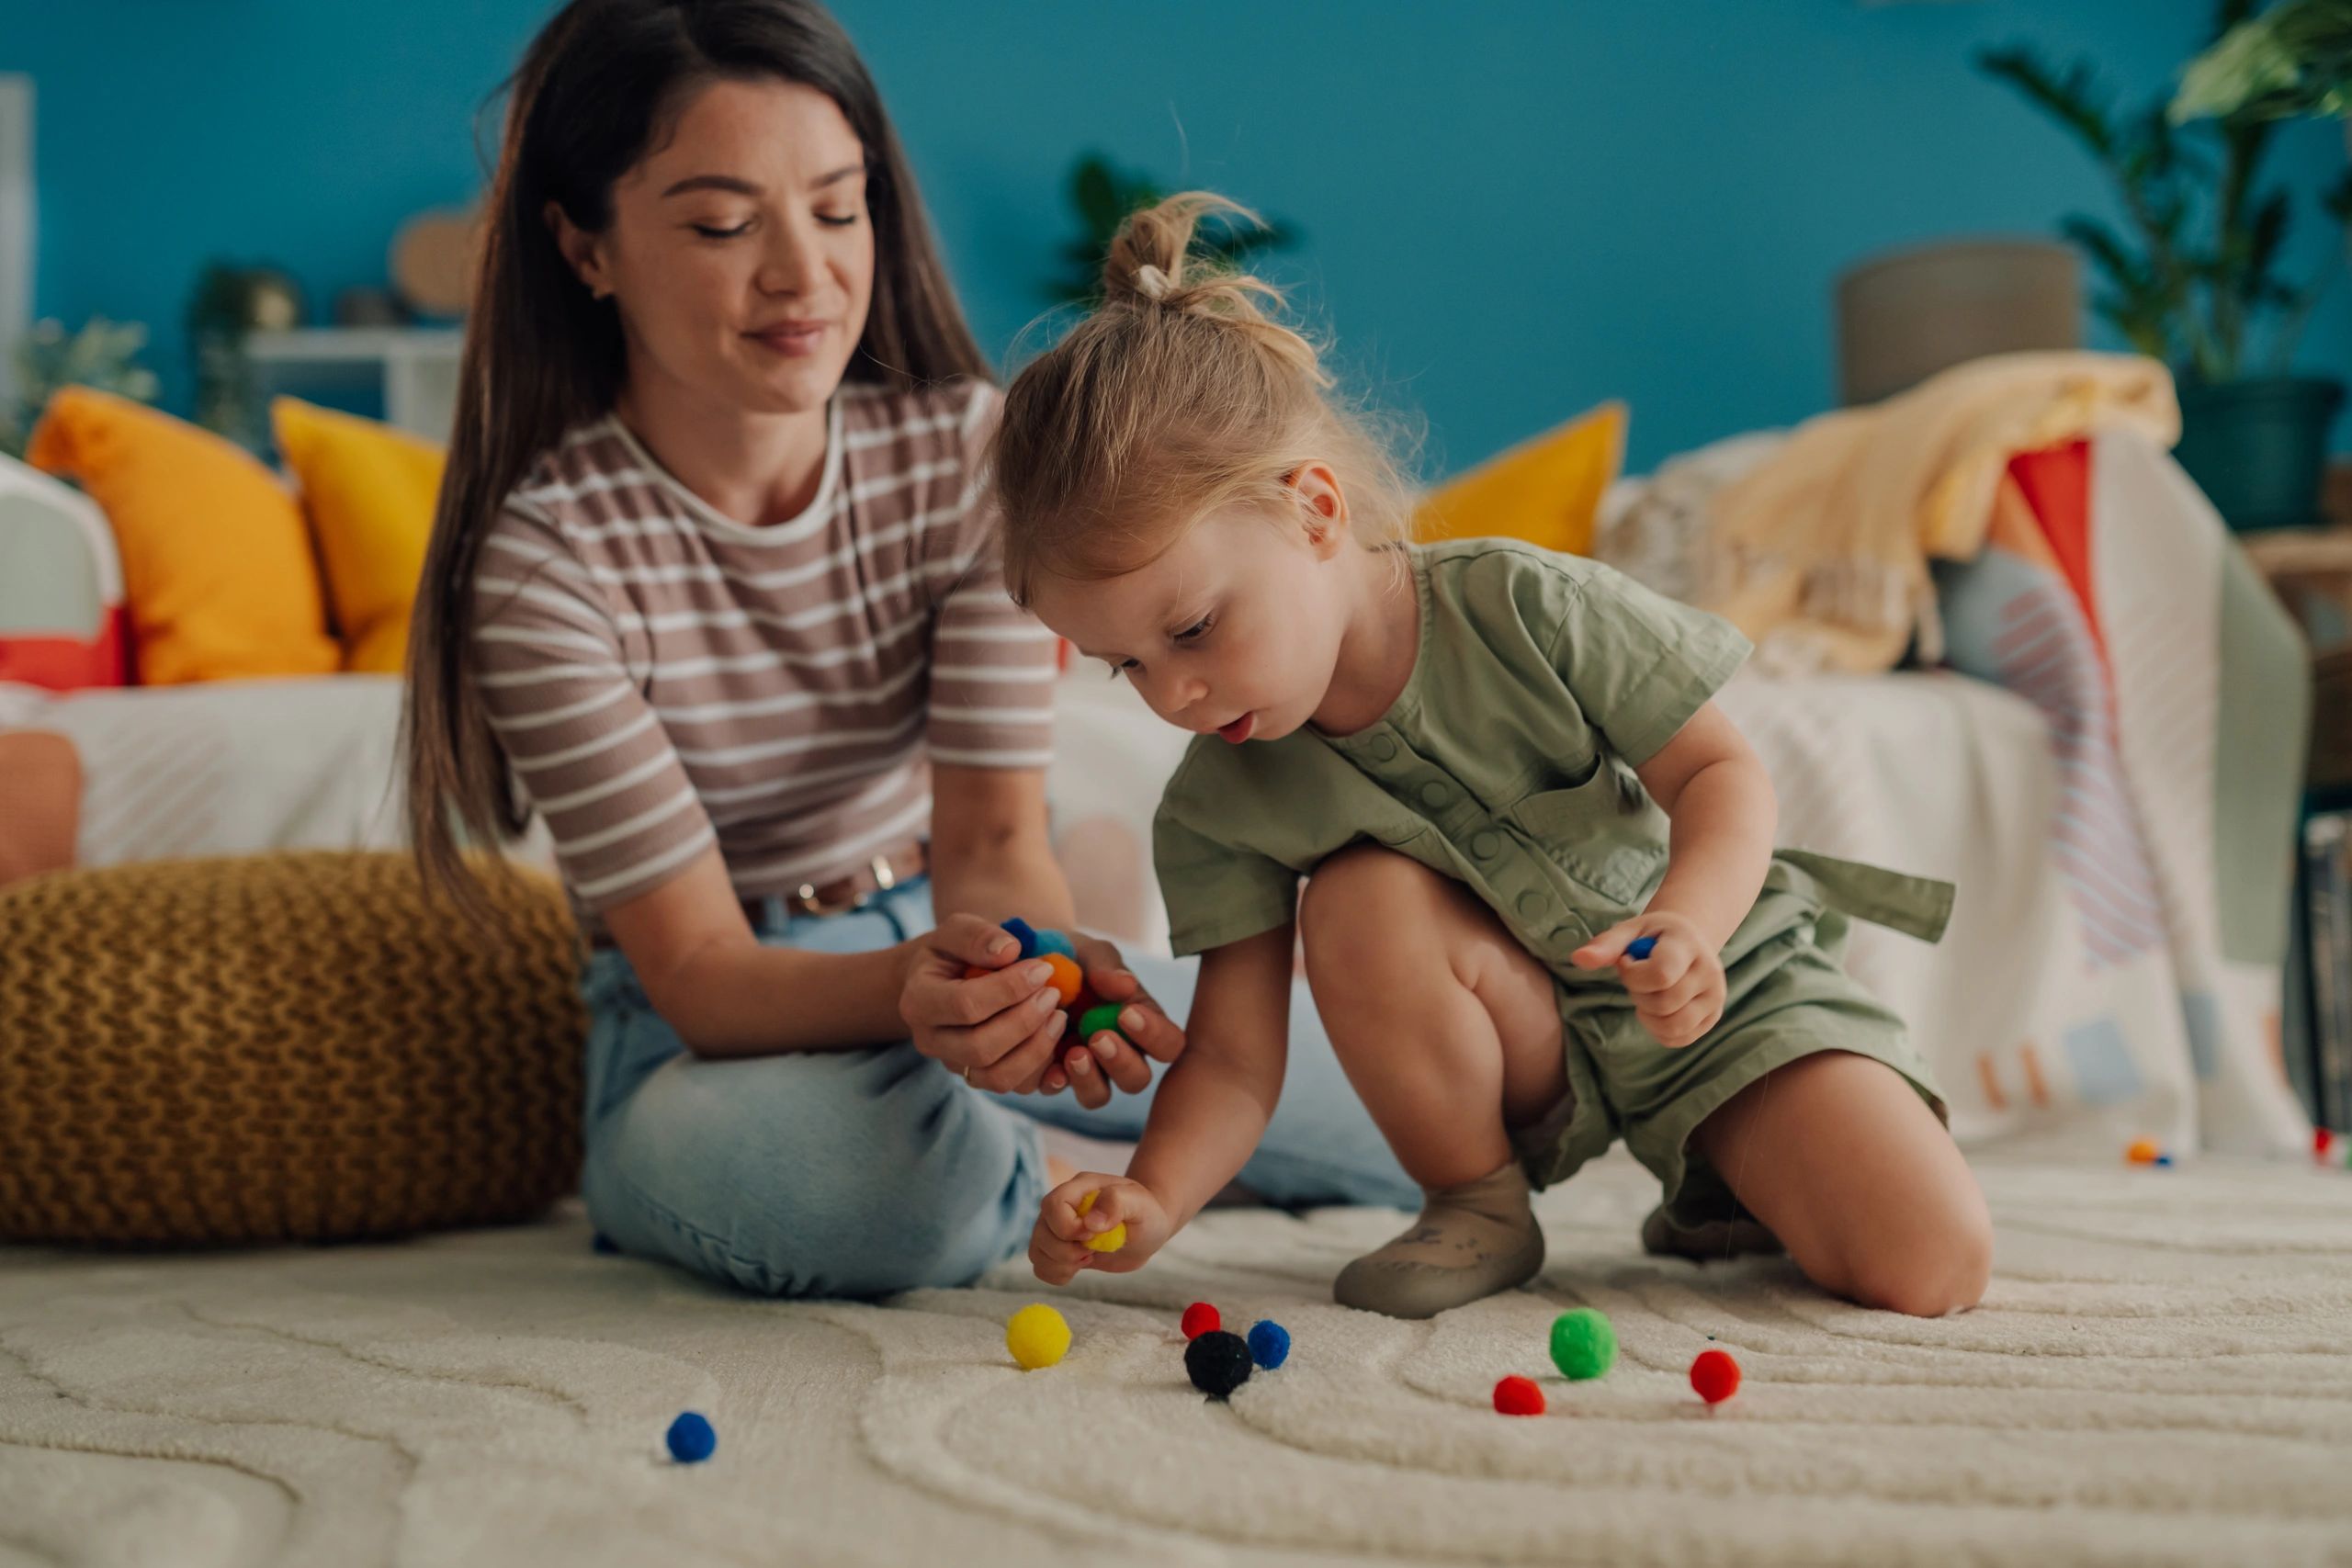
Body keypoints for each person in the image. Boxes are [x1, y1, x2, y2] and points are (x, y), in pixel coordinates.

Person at [401, 2, 1413, 1302]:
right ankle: (1016, 1155)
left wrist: (1040, 982)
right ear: (583, 247)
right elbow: (704, 974)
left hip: (965, 927)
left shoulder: (963, 458)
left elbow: (991, 835)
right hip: (721, 1024)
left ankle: (1022, 1122)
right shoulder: (548, 566)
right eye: (721, 224)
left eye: (837, 208)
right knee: (856, 1196)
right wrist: (929, 996)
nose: (802, 274)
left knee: (1430, 1092)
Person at [996, 194, 1995, 1319]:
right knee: (1363, 895)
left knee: (1929, 1265)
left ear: (1311, 509)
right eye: (1122, 667)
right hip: (1522, 1056)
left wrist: (1692, 925)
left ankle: (1729, 1178)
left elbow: (1721, 775)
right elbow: (1231, 1057)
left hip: (1717, 988)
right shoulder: (1220, 804)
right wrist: (1155, 1198)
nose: (1173, 696)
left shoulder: (1522, 603)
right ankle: (1475, 1202)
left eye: (1189, 632)